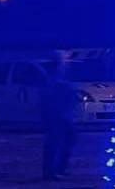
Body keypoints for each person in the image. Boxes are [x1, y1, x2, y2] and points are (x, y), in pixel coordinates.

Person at [41, 52, 77, 181]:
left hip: (65, 114)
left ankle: (59, 169)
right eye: (65, 58)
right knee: (54, 143)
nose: (67, 60)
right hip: (57, 115)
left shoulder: (63, 73)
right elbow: (48, 95)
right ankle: (50, 172)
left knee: (68, 140)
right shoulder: (53, 75)